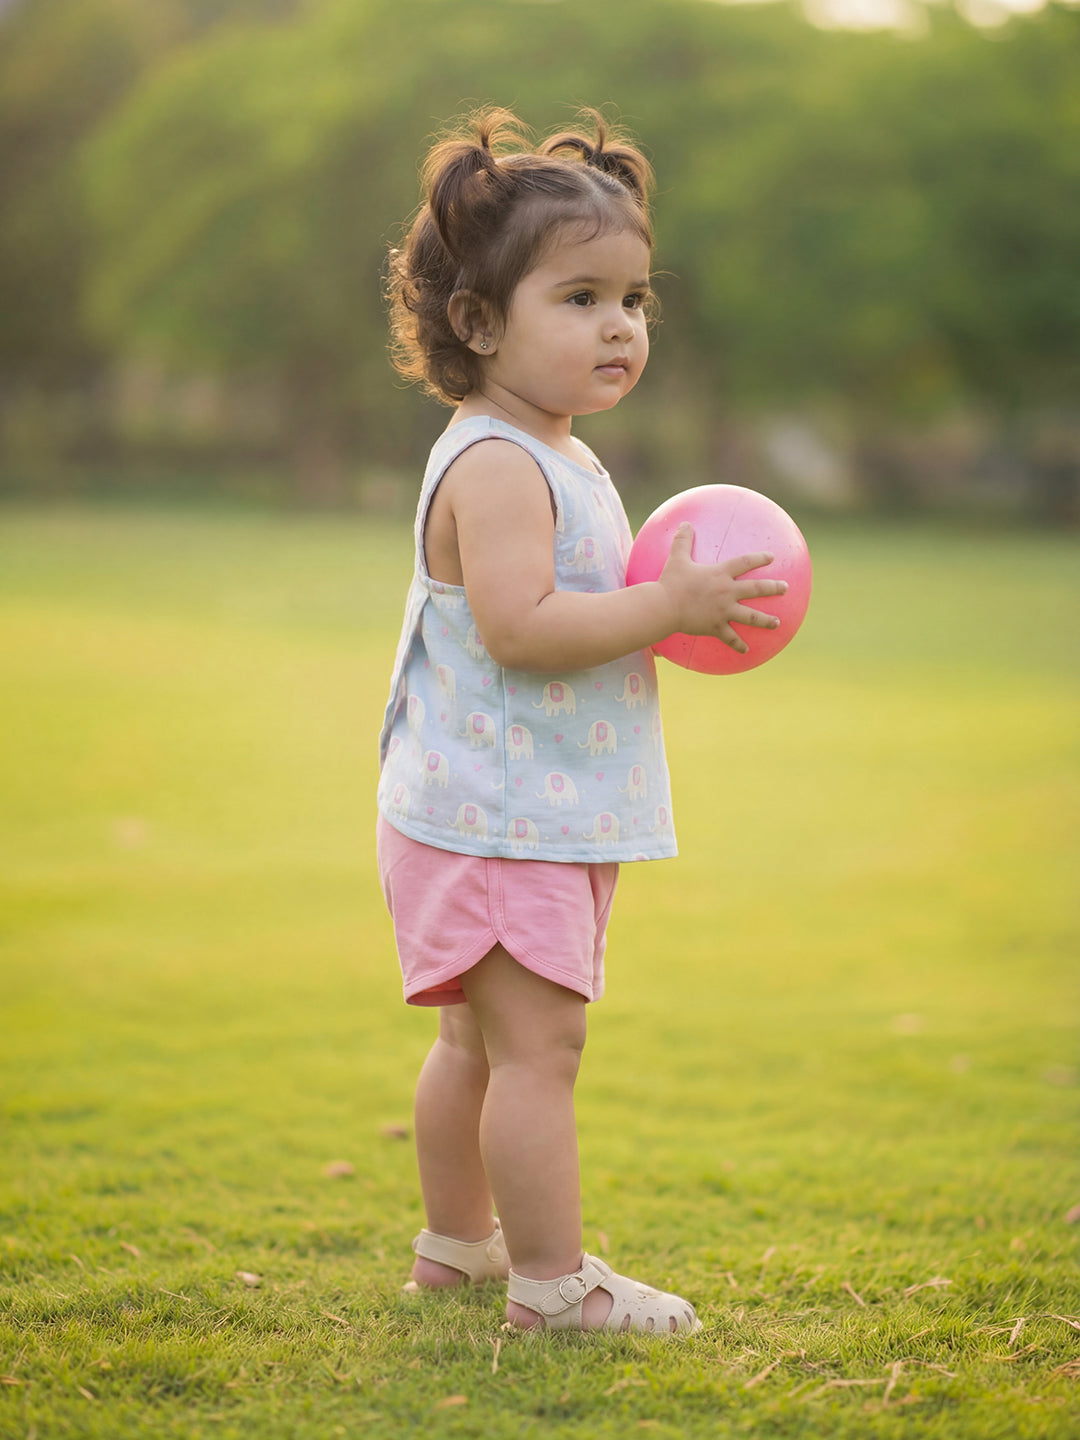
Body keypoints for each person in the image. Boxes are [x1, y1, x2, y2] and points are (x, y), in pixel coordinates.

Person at [376, 107, 786, 1335]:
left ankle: (459, 1246)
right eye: (582, 297)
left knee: (477, 1046)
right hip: (506, 819)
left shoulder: (545, 451)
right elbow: (520, 625)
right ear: (481, 323)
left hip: (483, 806)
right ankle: (553, 1284)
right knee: (537, 1050)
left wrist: (658, 603)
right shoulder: (501, 463)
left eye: (635, 300)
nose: (620, 325)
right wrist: (667, 605)